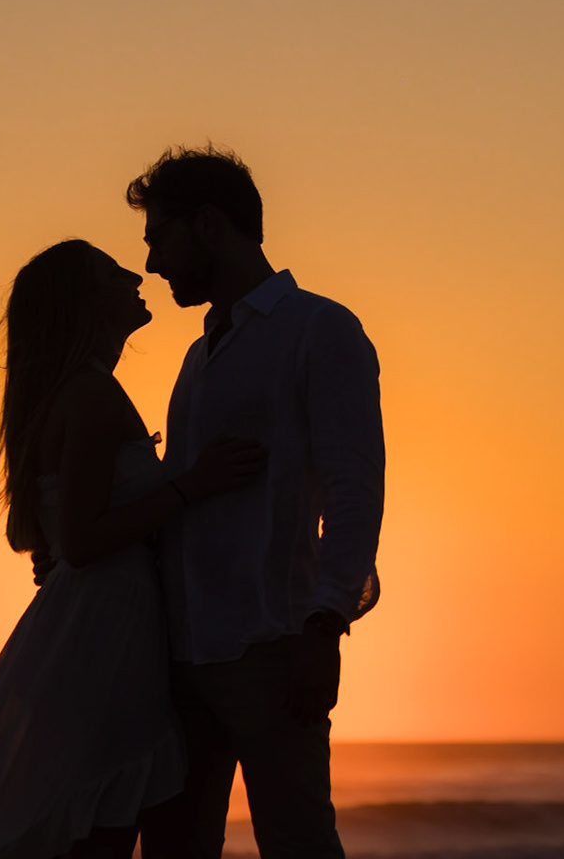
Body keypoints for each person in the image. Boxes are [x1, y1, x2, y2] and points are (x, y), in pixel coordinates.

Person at [0, 240, 265, 859]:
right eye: (111, 273)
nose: (134, 276)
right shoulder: (91, 395)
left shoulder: (72, 394)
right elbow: (82, 539)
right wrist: (191, 485)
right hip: (103, 629)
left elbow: (47, 536)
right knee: (95, 815)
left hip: (95, 620)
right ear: (85, 303)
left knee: (83, 812)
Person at [129, 146, 385, 859]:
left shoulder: (319, 330)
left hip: (272, 648)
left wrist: (324, 625)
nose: (152, 263)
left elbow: (355, 490)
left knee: (297, 844)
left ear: (209, 224)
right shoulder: (199, 356)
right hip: (181, 654)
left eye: (160, 238)